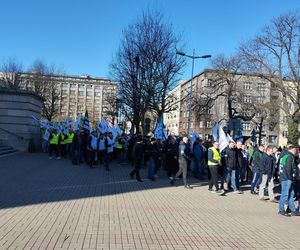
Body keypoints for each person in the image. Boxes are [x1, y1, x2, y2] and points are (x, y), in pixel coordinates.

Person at [278, 145, 299, 216]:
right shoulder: (289, 157)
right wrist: (290, 178)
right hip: (286, 178)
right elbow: (288, 169)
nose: (296, 152)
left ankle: (293, 210)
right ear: (292, 150)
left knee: (291, 194)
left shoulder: (285, 156)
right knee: (285, 194)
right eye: (295, 150)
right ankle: (281, 210)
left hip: (285, 177)